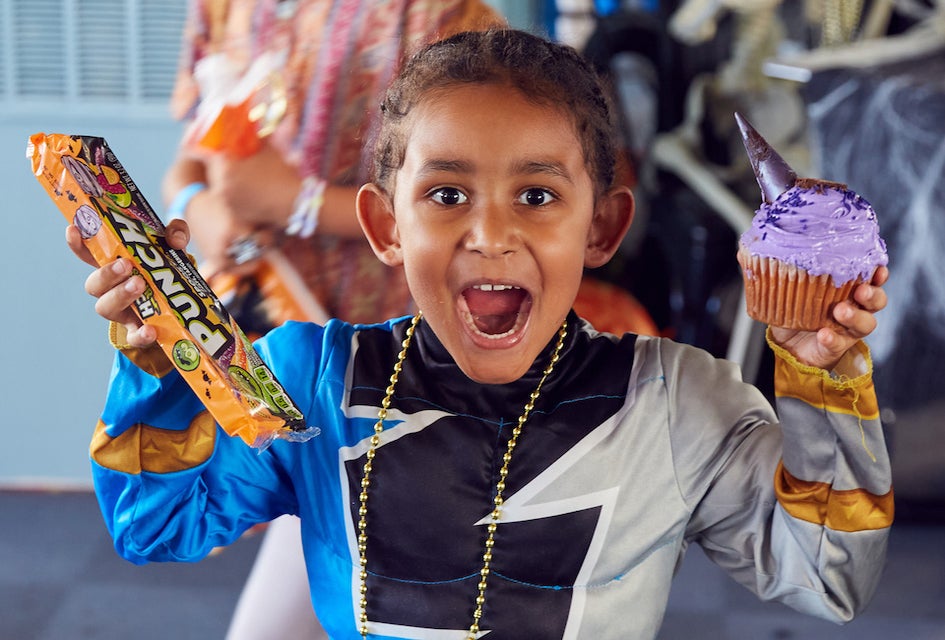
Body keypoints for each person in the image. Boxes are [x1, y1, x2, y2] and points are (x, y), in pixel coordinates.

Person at [68, 28, 892, 639]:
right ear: (385, 226)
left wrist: (821, 378)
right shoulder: (310, 383)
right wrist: (157, 361)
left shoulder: (676, 405)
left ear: (601, 229)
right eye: (446, 195)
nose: (491, 234)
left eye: (536, 196)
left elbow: (827, 576)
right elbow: (154, 526)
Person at [163, 2, 505, 637]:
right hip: (276, 343)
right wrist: (199, 205)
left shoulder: (449, 18)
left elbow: (482, 208)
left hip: (395, 372)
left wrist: (299, 204)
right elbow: (193, 150)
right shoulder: (226, 6)